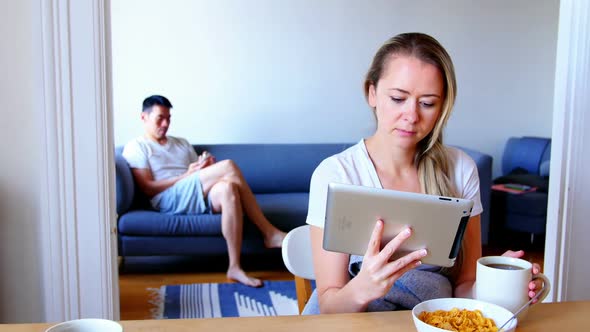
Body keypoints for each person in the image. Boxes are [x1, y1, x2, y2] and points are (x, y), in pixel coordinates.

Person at [305, 33, 543, 313]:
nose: (411, 116)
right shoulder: (336, 174)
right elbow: (330, 307)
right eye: (397, 98)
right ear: (371, 93)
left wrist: (497, 283)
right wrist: (364, 287)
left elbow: (465, 286)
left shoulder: (461, 170)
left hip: (430, 318)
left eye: (427, 103)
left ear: (443, 106)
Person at [122, 95, 286, 287]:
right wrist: (188, 175)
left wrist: (206, 166)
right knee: (229, 166)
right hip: (167, 198)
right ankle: (268, 232)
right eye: (160, 118)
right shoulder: (137, 147)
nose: (165, 124)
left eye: (169, 118)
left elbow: (198, 175)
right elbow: (148, 188)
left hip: (194, 193)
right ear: (144, 117)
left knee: (228, 189)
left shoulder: (182, 143)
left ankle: (234, 266)